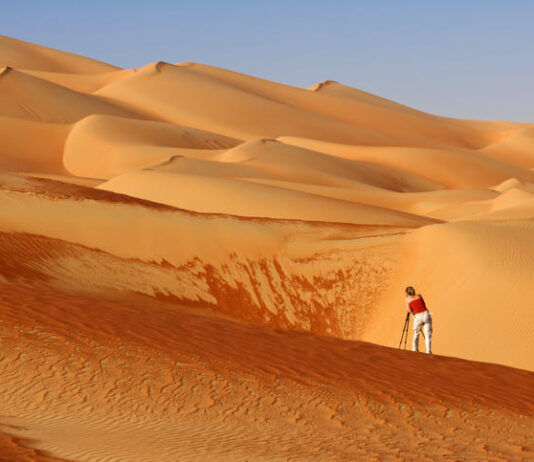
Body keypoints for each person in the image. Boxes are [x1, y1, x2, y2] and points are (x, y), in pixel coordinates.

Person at [405, 286, 432, 354]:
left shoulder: (407, 299)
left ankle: (415, 349)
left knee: (416, 333)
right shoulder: (419, 295)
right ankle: (428, 351)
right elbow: (423, 304)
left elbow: (409, 310)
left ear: (407, 293)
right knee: (427, 334)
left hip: (418, 316)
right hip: (426, 314)